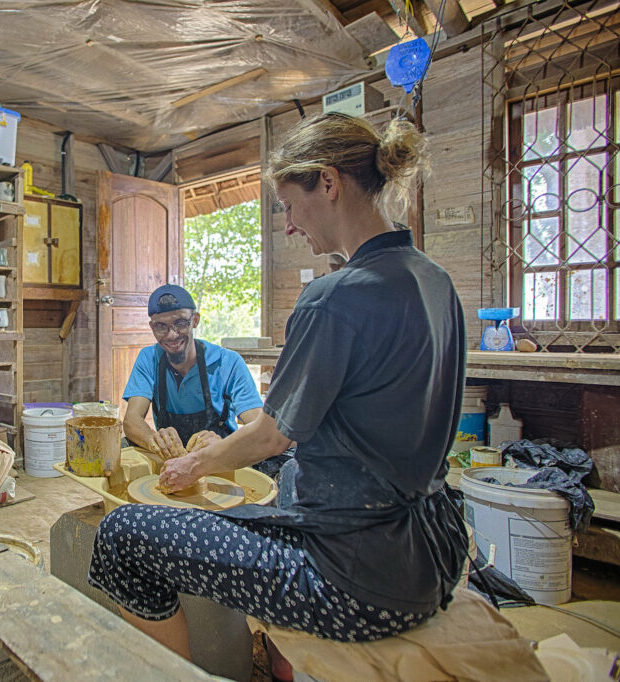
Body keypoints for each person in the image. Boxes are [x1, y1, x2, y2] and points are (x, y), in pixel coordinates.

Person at [87, 113, 469, 677]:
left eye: (289, 205)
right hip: (436, 551)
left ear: (329, 183)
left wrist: (193, 464)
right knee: (282, 483)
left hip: (358, 581)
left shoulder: (333, 297)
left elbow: (269, 433)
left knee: (122, 536)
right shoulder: (435, 280)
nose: (288, 226)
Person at [121, 283, 263, 460]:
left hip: (220, 458)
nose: (171, 335)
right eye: (161, 326)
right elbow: (131, 421)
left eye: (180, 323)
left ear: (195, 320)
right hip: (171, 459)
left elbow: (259, 428)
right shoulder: (149, 358)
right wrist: (155, 442)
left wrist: (224, 445)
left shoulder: (228, 362)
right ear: (152, 327)